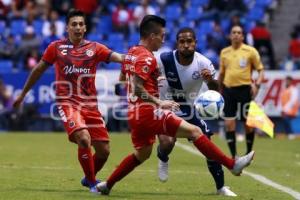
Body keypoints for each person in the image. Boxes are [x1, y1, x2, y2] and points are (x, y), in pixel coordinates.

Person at [96, 15, 254, 195]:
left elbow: (124, 80)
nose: (164, 40)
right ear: (153, 36)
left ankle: (107, 185)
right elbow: (138, 88)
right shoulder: (148, 58)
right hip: (148, 111)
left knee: (142, 154)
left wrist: (152, 82)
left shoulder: (132, 53)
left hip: (135, 114)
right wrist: (158, 101)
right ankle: (232, 165)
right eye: (162, 36)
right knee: (195, 132)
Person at [13, 9, 124, 193]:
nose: (78, 27)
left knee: (104, 151)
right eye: (74, 24)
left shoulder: (95, 48)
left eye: (81, 24)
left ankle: (87, 177)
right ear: (67, 28)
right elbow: (38, 70)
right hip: (67, 102)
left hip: (90, 106)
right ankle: (92, 183)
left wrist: (134, 58)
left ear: (85, 28)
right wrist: (23, 94)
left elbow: (118, 57)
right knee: (83, 138)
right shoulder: (56, 48)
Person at [155, 27, 236, 196]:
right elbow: (148, 74)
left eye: (189, 41)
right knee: (168, 143)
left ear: (195, 43)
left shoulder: (204, 63)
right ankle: (163, 157)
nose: (186, 45)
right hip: (166, 106)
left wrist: (210, 80)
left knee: (208, 146)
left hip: (189, 108)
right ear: (177, 44)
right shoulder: (164, 59)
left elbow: (216, 89)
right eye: (182, 42)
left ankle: (221, 187)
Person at [218, 25, 264, 158]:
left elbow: (260, 70)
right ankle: (234, 155)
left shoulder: (250, 51)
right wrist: (219, 89)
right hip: (228, 90)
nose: (236, 34)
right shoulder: (224, 52)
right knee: (229, 123)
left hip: (245, 90)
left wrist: (257, 85)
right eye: (234, 32)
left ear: (243, 36)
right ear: (230, 35)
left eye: (239, 32)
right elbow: (222, 73)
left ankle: (249, 152)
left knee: (248, 124)